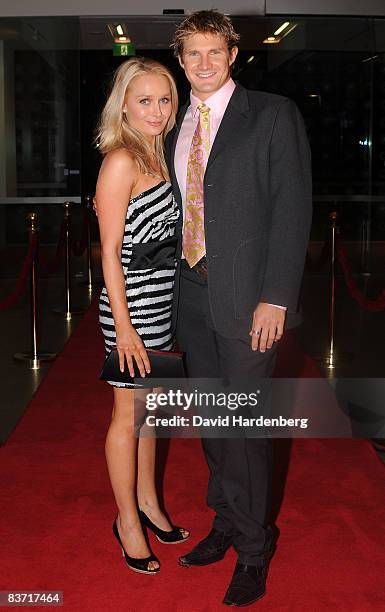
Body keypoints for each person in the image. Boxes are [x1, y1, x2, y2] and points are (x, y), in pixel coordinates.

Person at [166, 10, 312, 606]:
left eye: (213, 52)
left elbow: (291, 211)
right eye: (192, 54)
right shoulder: (171, 122)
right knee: (211, 418)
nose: (203, 63)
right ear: (181, 61)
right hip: (191, 294)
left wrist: (275, 297)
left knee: (245, 425)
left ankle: (254, 551)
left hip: (252, 299)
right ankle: (225, 520)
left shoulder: (272, 115)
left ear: (232, 54)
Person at [95, 57, 189, 576]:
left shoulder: (162, 154)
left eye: (164, 99)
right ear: (124, 105)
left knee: (154, 415)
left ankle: (150, 504)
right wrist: (125, 327)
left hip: (162, 303)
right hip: (129, 308)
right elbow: (109, 252)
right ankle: (127, 520)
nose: (156, 110)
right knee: (127, 417)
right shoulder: (121, 161)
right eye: (145, 100)